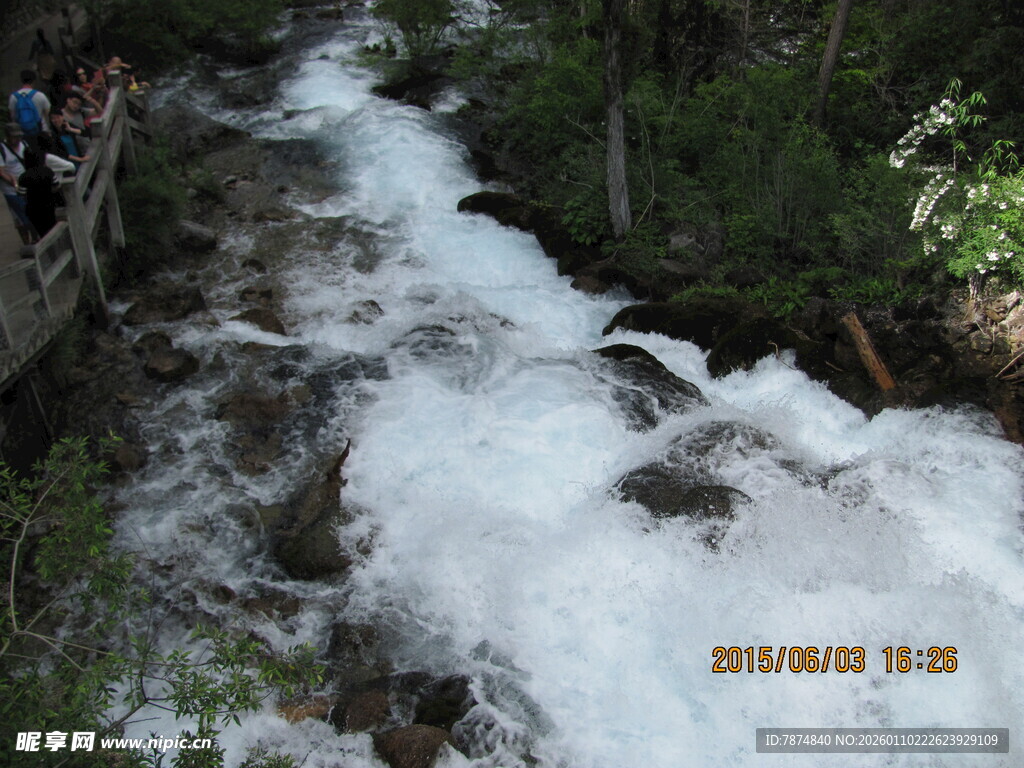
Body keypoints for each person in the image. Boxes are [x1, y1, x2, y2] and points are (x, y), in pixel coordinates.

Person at [0, 123, 35, 242]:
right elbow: (2, 172)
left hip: (27, 185)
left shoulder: (24, 144)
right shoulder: (2, 149)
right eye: (14, 137)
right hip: (12, 190)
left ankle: (36, 239)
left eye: (19, 136)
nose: (17, 139)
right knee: (21, 217)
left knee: (31, 213)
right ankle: (29, 241)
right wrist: (15, 183)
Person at [17, 148, 59, 239]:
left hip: (34, 209)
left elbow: (21, 194)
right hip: (50, 204)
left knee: (43, 233)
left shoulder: (23, 177)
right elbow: (56, 186)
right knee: (54, 229)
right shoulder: (48, 171)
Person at [8, 70, 51, 150]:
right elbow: (48, 115)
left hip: (22, 134)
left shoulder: (13, 97)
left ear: (21, 80)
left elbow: (12, 116)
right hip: (40, 132)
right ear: (34, 80)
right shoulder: (40, 96)